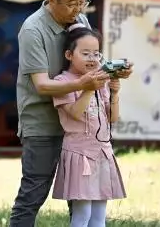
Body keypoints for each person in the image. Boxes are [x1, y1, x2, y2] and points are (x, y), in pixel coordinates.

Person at [9, 0, 133, 227]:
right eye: (72, 3)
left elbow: (91, 59)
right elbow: (41, 85)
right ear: (51, 0)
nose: (78, 9)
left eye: (83, 1)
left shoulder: (81, 21)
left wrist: (112, 70)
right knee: (34, 192)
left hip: (80, 125)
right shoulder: (33, 29)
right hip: (43, 121)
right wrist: (83, 84)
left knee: (81, 198)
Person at [52, 26, 126, 227]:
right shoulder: (63, 82)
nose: (92, 59)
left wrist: (114, 93)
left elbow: (112, 118)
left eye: (96, 53)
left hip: (102, 152)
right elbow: (75, 113)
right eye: (85, 54)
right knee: (82, 212)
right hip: (80, 154)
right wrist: (88, 88)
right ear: (69, 54)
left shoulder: (98, 81)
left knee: (99, 216)